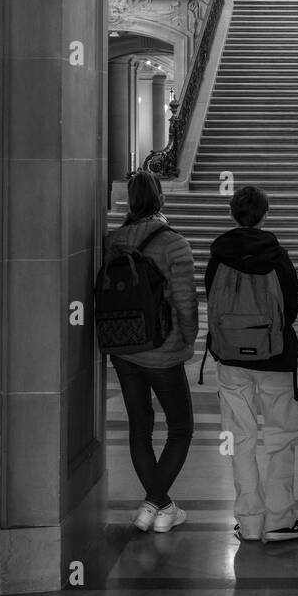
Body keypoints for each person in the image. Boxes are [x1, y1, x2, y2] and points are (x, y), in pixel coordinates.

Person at [204, 185, 298, 543]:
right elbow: (291, 307)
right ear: (266, 213)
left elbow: (211, 300)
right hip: (276, 358)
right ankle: (280, 521)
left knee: (239, 439)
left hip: (230, 359)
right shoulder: (277, 255)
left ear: (232, 213)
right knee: (281, 439)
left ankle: (249, 522)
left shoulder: (218, 255)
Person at [105, 169, 198, 533]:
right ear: (160, 198)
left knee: (139, 428)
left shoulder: (114, 241)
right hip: (164, 350)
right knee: (181, 428)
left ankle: (155, 507)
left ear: (130, 200)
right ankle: (155, 503)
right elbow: (185, 302)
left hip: (124, 348)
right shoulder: (175, 243)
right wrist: (188, 339)